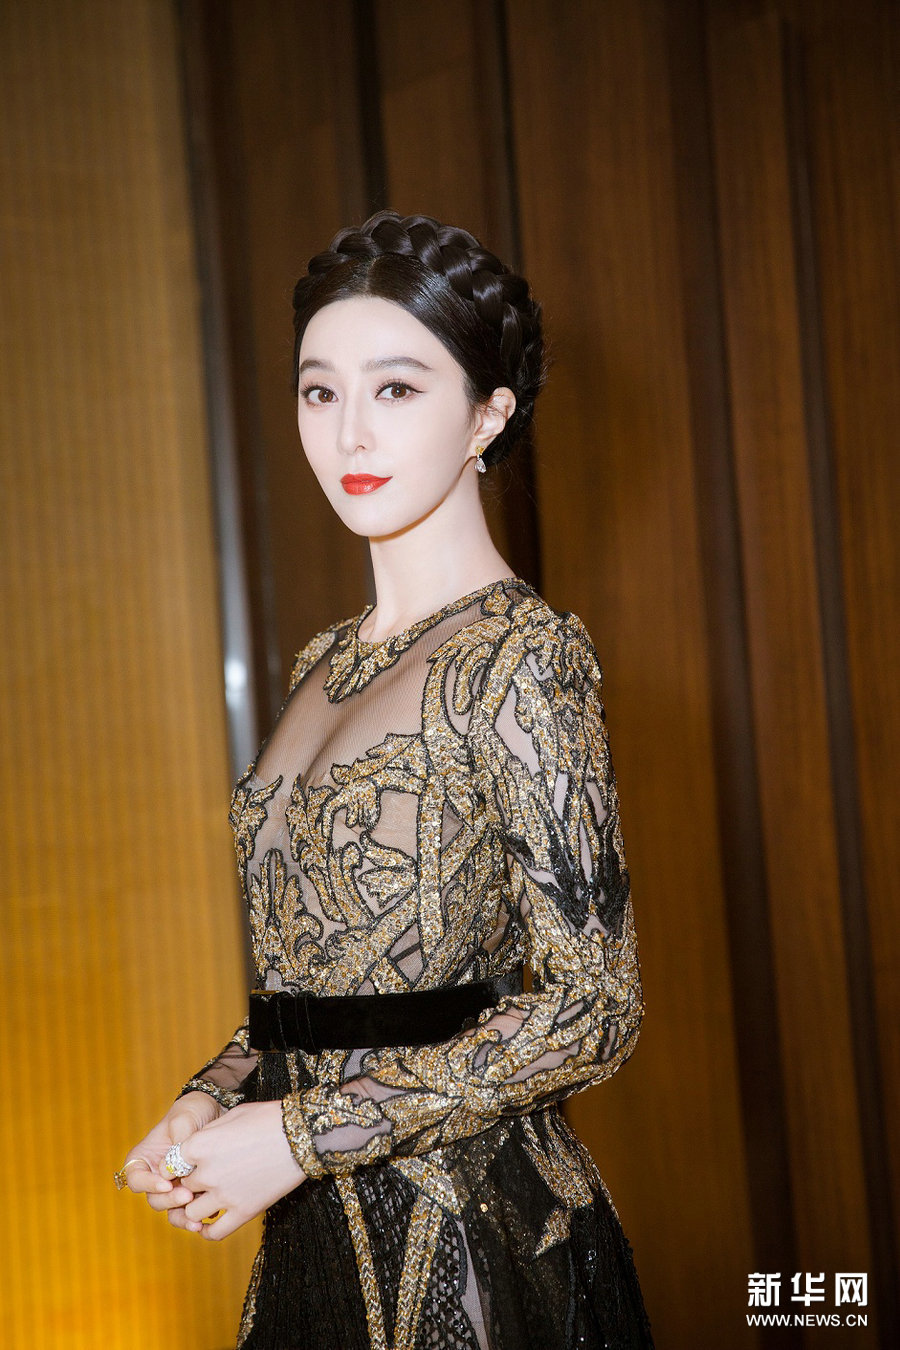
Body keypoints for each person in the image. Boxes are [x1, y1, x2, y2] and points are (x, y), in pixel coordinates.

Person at [116, 210, 653, 1349]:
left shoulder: (521, 656)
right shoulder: (323, 660)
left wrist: (297, 1136)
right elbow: (330, 991)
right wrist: (215, 1095)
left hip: (471, 1234)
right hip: (314, 1231)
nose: (348, 430)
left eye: (397, 389)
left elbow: (595, 1008)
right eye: (319, 391)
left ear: (487, 415)